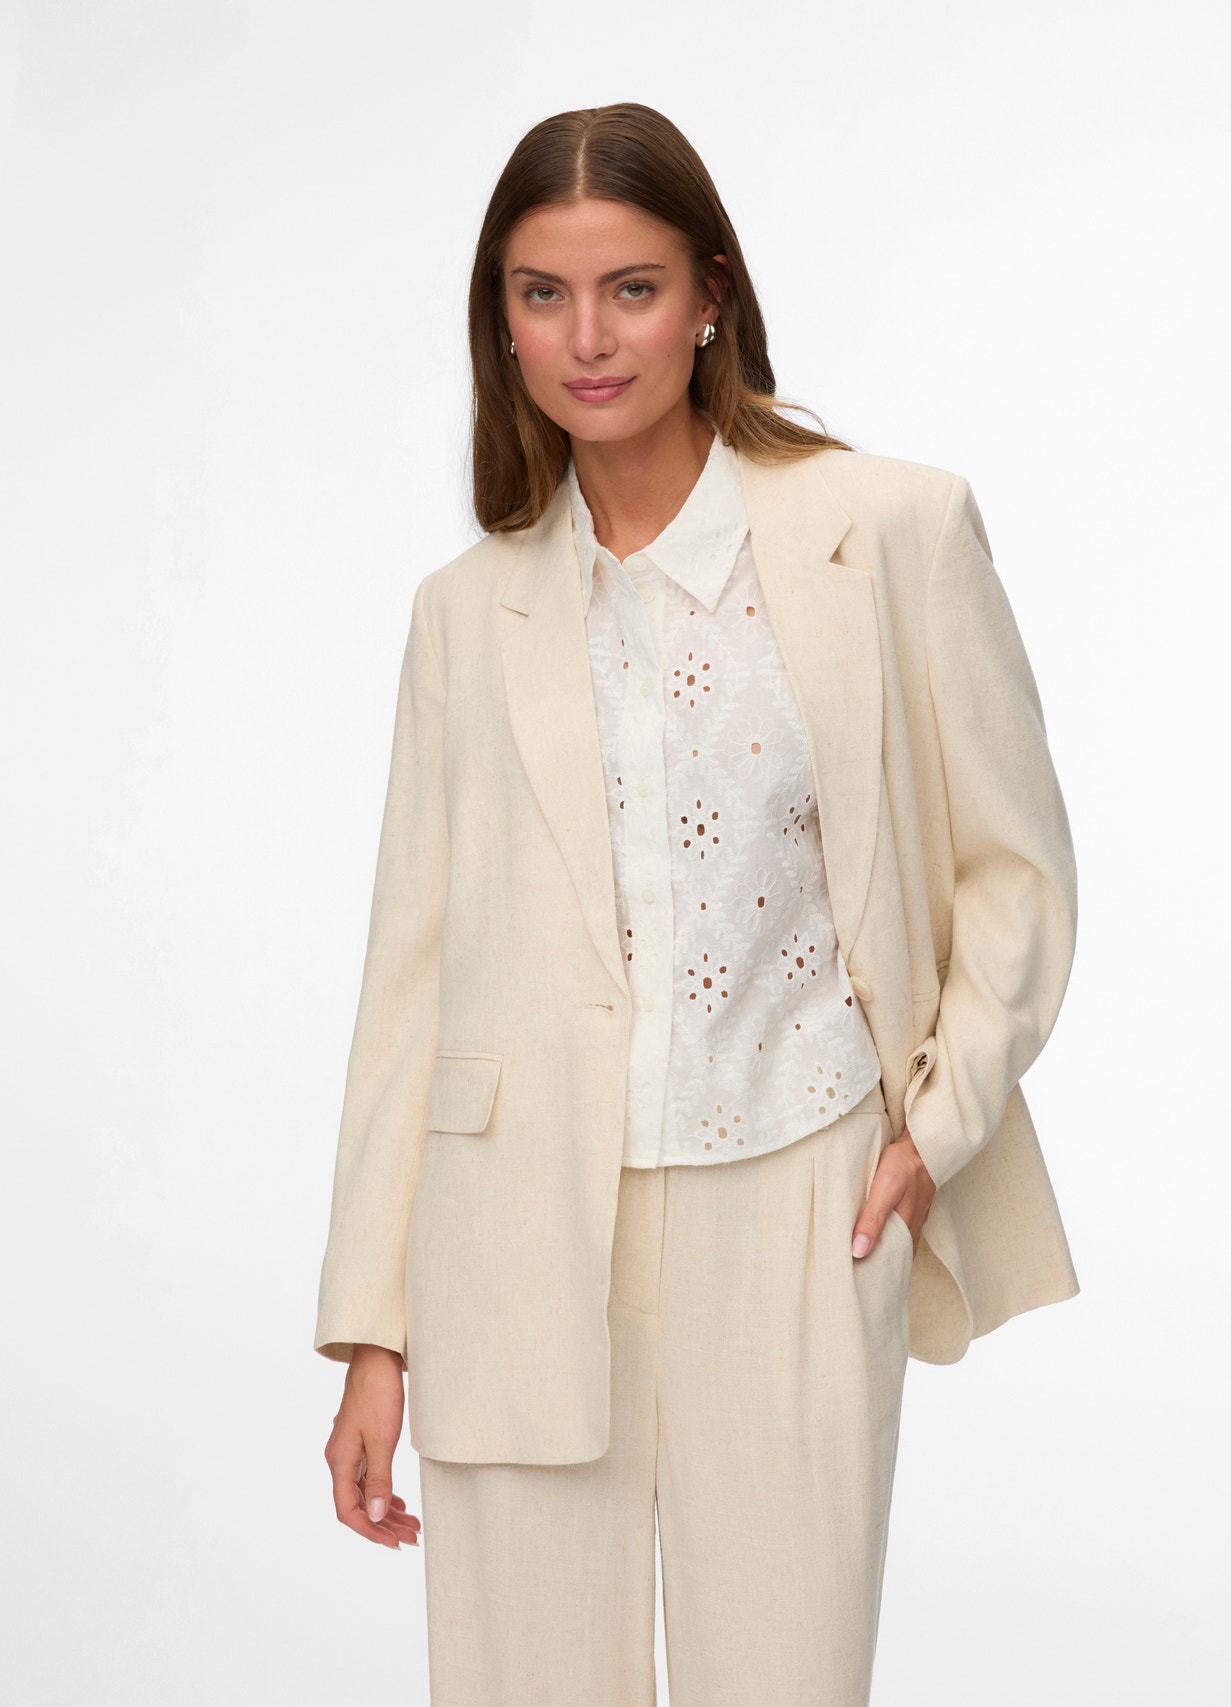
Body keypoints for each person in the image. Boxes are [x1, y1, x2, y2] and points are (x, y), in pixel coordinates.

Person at [313, 101, 1078, 1707]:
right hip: (513, 1230)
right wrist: (373, 1332)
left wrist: (931, 1132)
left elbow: (1014, 871)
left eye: (633, 289)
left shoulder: (891, 529)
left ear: (711, 294)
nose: (589, 339)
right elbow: (411, 982)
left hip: (802, 1198)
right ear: (500, 320)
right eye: (543, 294)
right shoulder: (465, 612)